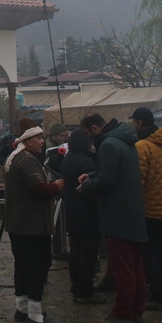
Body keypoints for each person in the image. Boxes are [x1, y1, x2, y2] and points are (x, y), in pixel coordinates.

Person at [79, 118, 148, 323]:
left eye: (89, 135)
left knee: (122, 268)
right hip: (132, 212)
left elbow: (107, 180)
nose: (90, 140)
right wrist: (91, 175)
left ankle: (122, 313)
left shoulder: (108, 144)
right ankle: (136, 309)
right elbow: (115, 173)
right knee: (135, 265)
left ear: (94, 128)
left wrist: (88, 186)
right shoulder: (125, 141)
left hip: (117, 214)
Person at [3, 126, 65, 323]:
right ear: (28, 141)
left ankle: (22, 308)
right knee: (37, 268)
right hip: (32, 225)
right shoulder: (27, 161)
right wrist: (56, 186)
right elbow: (39, 188)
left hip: (18, 224)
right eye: (39, 138)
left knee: (22, 267)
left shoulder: (16, 158)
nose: (42, 141)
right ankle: (35, 315)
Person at [130, 107, 162, 312]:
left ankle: (158, 294)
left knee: (149, 251)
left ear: (140, 123)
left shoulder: (142, 146)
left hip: (147, 206)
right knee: (161, 249)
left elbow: (138, 180)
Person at [60, 127, 104, 303]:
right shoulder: (87, 162)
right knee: (88, 251)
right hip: (87, 211)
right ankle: (85, 290)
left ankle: (76, 286)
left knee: (76, 250)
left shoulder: (68, 159)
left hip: (71, 210)